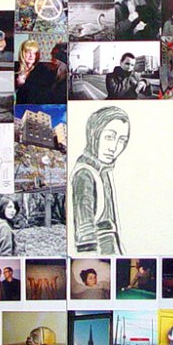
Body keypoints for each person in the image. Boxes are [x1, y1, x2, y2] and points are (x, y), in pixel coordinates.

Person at [71, 106, 129, 253]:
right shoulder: (85, 174)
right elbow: (85, 237)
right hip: (101, 254)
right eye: (109, 137)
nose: (114, 147)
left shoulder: (103, 170)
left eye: (122, 140)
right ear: (94, 134)